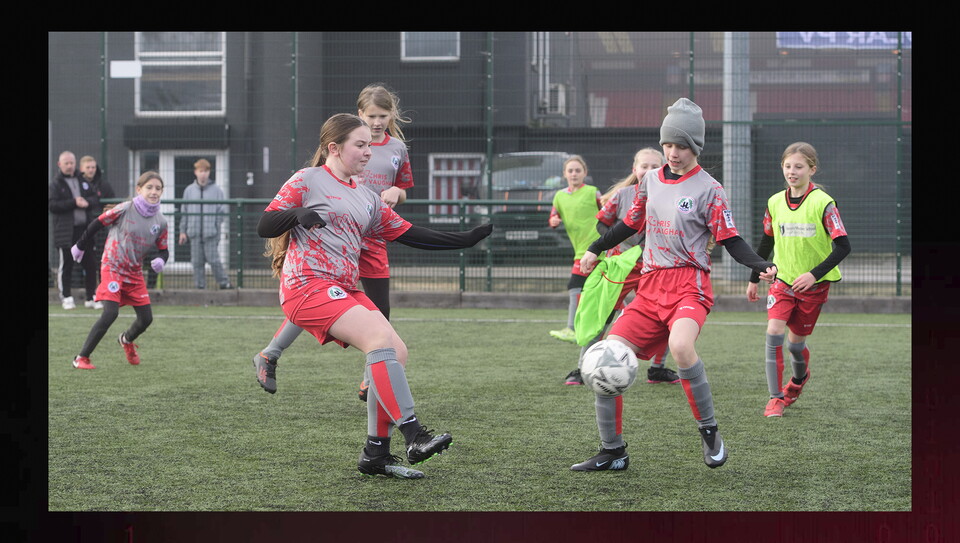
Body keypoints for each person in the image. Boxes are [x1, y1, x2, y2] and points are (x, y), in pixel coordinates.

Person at [256, 113, 492, 478]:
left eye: (370, 145)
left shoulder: (365, 196)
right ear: (334, 148)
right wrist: (298, 213)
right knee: (379, 338)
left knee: (395, 351)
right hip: (306, 286)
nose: (369, 152)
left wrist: (465, 240)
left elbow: (409, 233)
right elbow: (265, 224)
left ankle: (375, 454)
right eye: (360, 145)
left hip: (343, 288)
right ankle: (414, 435)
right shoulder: (307, 179)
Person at [573, 98, 777, 471]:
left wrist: (760, 264)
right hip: (650, 287)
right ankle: (613, 451)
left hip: (689, 285)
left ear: (695, 147)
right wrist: (594, 248)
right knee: (605, 357)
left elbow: (730, 238)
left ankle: (710, 432)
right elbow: (631, 225)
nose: (673, 152)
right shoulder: (649, 181)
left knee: (681, 347)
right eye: (668, 144)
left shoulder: (710, 189)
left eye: (681, 146)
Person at [252, 84, 415, 402]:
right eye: (371, 116)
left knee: (378, 311)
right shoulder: (345, 142)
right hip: (336, 232)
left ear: (391, 116)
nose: (377, 121)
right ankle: (271, 354)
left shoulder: (397, 150)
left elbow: (405, 188)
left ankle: (374, 379)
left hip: (372, 235)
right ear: (360, 115)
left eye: (383, 116)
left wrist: (399, 194)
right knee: (321, 295)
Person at [747, 142, 850, 418]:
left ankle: (799, 379)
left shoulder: (823, 203)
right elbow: (766, 241)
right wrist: (754, 277)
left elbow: (843, 247)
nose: (792, 172)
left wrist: (814, 274)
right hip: (781, 282)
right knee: (773, 333)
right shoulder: (774, 202)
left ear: (811, 169)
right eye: (788, 166)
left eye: (799, 167)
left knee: (795, 345)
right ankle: (775, 398)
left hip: (814, 286)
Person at [565, 148, 678, 386]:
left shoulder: (672, 195)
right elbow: (602, 225)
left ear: (663, 169)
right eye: (644, 166)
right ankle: (583, 366)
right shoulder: (623, 195)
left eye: (654, 166)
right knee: (603, 315)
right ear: (634, 169)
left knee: (667, 316)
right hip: (621, 267)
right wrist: (616, 242)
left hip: (657, 269)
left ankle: (657, 368)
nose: (648, 171)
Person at [69, 171, 169, 369]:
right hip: (112, 266)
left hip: (134, 272)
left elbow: (164, 250)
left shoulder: (161, 222)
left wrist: (161, 259)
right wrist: (80, 245)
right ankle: (81, 358)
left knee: (146, 319)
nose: (154, 191)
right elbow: (97, 223)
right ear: (139, 189)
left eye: (158, 188)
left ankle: (126, 339)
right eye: (149, 187)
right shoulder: (125, 208)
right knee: (110, 314)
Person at [547, 155, 601, 353]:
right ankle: (625, 319)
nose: (574, 174)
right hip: (580, 250)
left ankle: (571, 328)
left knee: (575, 285)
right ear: (564, 174)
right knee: (604, 293)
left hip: (596, 249)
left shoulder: (593, 193)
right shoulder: (559, 196)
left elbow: (607, 213)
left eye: (578, 170)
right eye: (570, 170)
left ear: (585, 173)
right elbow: (554, 215)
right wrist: (553, 221)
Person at [49, 151, 101, 310]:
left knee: (91, 264)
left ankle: (91, 297)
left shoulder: (82, 180)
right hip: (66, 232)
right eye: (67, 163)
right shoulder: (55, 184)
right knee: (67, 265)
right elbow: (52, 205)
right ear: (60, 164)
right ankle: (66, 297)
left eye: (72, 162)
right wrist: (73, 202)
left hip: (84, 231)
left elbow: (95, 198)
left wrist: (86, 202)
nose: (70, 166)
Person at [178, 159, 233, 290]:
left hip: (211, 233)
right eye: (201, 171)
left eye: (206, 171)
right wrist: (182, 231)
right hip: (194, 233)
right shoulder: (189, 191)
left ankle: (224, 283)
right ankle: (200, 287)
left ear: (209, 172)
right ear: (196, 172)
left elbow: (222, 211)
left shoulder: (217, 191)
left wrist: (215, 226)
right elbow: (184, 211)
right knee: (197, 262)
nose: (203, 174)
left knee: (214, 260)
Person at [79, 155, 115, 309]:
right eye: (88, 167)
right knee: (88, 262)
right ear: (82, 169)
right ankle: (89, 296)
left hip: (101, 228)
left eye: (93, 167)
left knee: (102, 261)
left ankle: (101, 294)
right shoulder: (77, 184)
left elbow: (112, 202)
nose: (91, 170)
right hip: (83, 227)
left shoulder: (103, 184)